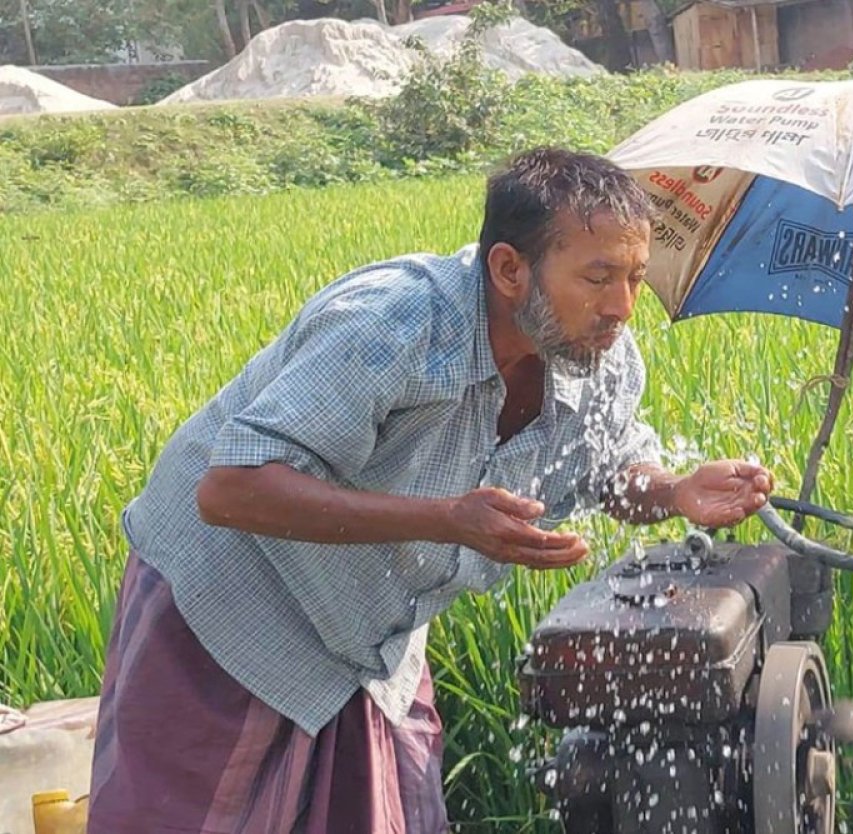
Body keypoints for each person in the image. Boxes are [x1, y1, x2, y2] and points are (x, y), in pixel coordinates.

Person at [85, 147, 775, 833]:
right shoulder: (395, 326)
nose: (621, 307)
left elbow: (610, 470)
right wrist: (447, 519)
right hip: (231, 606)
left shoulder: (598, 357)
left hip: (369, 632)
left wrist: (677, 490)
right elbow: (232, 490)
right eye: (597, 277)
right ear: (510, 269)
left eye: (633, 276)